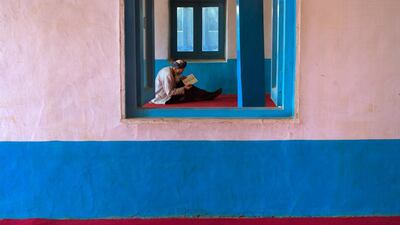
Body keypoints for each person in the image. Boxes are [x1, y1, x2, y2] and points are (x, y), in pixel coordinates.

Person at [150, 59, 222, 104]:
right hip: (164, 98)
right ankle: (208, 96)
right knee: (189, 90)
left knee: (188, 84)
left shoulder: (170, 69)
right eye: (181, 70)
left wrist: (182, 78)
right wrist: (184, 88)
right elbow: (169, 93)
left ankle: (208, 95)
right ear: (176, 68)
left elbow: (175, 78)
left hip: (167, 92)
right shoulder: (167, 75)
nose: (182, 71)